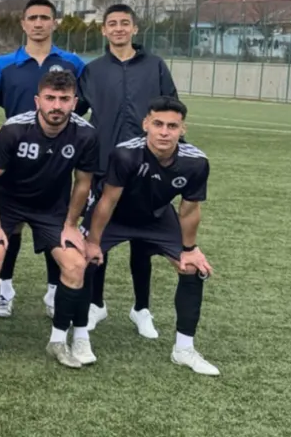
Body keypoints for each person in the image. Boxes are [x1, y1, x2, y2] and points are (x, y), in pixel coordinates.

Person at [81, 97, 218, 375]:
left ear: (183, 129)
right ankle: (80, 337)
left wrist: (190, 249)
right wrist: (93, 242)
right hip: (117, 215)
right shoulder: (125, 154)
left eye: (172, 126)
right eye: (158, 124)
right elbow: (107, 201)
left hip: (156, 217)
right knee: (82, 259)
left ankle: (184, 349)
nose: (164, 132)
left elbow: (189, 209)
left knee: (192, 268)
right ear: (146, 124)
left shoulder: (196, 162)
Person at [0, 70, 98, 367]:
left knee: (76, 264)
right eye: (50, 98)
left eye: (64, 99)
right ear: (37, 100)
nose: (57, 106)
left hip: (51, 208)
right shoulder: (15, 129)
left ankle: (58, 340)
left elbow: (83, 182)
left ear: (74, 102)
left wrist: (70, 225)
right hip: (6, 205)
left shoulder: (86, 134)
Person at [0, 0, 86, 319]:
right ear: (23, 24)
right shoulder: (4, 64)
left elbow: (87, 100)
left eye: (44, 17)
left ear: (54, 23)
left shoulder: (73, 63)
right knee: (11, 226)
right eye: (32, 18)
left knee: (56, 223)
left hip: (56, 160)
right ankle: (5, 289)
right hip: (13, 159)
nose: (38, 23)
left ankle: (54, 290)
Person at [78, 4, 179, 337]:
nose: (118, 28)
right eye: (112, 23)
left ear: (135, 28)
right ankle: (96, 304)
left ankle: (141, 309)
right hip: (104, 167)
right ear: (103, 30)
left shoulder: (155, 66)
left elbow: (172, 110)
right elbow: (77, 114)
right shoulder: (92, 70)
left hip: (148, 168)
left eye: (125, 23)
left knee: (143, 241)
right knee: (97, 236)